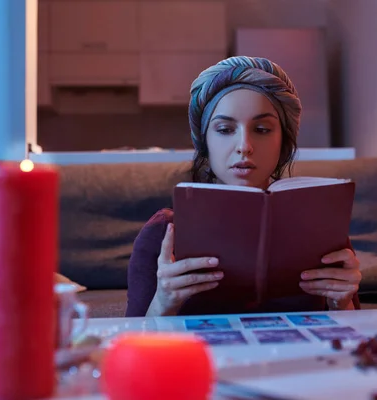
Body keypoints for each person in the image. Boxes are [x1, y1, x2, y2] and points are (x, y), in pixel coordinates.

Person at [126, 56, 362, 317]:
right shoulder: (162, 234)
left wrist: (343, 302)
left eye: (261, 129)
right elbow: (128, 348)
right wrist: (164, 300)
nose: (244, 146)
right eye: (225, 129)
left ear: (283, 143)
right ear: (204, 143)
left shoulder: (321, 231)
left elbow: (355, 338)